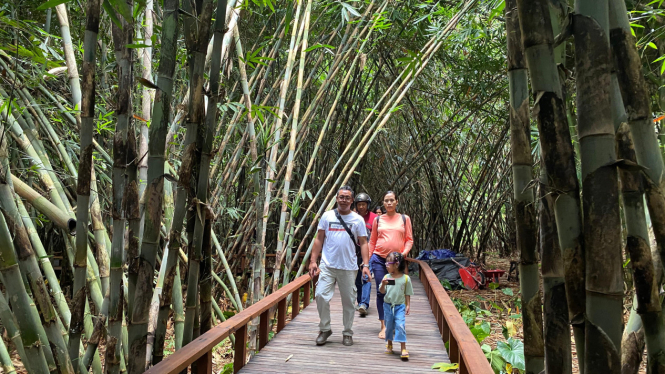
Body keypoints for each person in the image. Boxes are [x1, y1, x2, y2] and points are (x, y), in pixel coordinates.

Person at [309, 186, 371, 346]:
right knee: (321, 295)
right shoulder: (327, 216)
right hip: (328, 265)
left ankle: (347, 332)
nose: (344, 200)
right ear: (337, 198)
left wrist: (366, 265)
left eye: (347, 198)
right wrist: (313, 261)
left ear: (352, 201)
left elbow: (363, 242)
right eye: (341, 197)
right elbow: (319, 239)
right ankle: (325, 329)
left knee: (349, 302)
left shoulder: (357, 220)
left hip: (349, 267)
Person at [368, 191, 413, 339]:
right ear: (383, 202)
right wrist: (367, 262)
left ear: (397, 202)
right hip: (380, 260)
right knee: (383, 290)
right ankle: (384, 325)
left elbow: (409, 240)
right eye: (386, 200)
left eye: (391, 200)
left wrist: (404, 253)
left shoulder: (404, 219)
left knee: (396, 290)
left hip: (397, 262)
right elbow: (372, 241)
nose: (389, 203)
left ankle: (397, 319)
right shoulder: (378, 220)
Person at [379, 252, 413, 360]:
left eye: (388, 263)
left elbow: (407, 293)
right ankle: (389, 344)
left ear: (396, 264)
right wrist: (383, 284)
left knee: (400, 325)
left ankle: (403, 348)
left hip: (400, 306)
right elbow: (382, 291)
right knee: (389, 326)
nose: (386, 265)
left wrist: (408, 305)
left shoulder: (405, 278)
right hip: (388, 305)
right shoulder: (387, 277)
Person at [354, 193, 377, 317]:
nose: (361, 207)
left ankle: (364, 304)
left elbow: (376, 236)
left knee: (366, 277)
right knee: (357, 280)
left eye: (363, 204)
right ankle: (360, 302)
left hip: (369, 253)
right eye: (359, 204)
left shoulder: (374, 218)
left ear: (368, 205)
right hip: (354, 253)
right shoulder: (352, 217)